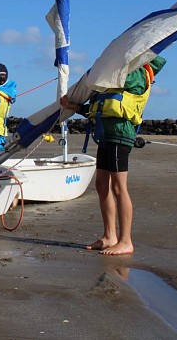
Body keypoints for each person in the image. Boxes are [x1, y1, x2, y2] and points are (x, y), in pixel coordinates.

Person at [60, 56, 166, 255]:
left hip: (120, 133)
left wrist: (108, 64)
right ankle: (110, 236)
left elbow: (115, 77)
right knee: (101, 184)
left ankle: (126, 241)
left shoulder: (139, 74)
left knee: (119, 187)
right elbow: (100, 104)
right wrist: (75, 106)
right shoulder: (118, 76)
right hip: (105, 134)